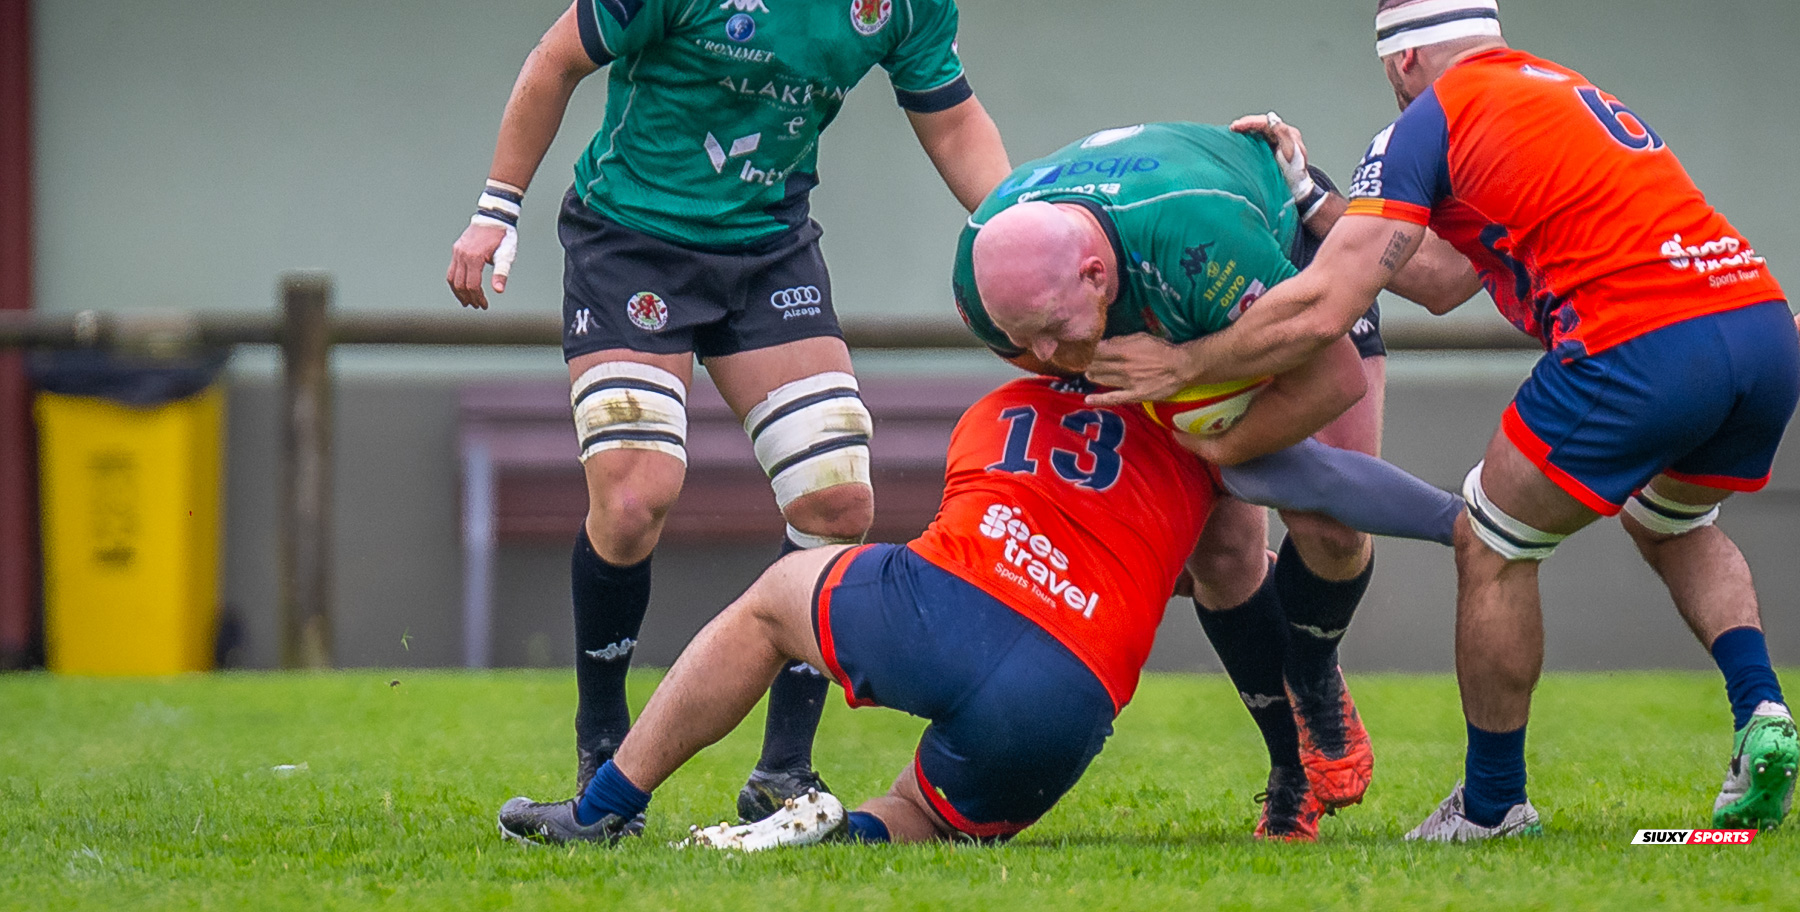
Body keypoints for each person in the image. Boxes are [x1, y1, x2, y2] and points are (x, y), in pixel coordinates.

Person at [1087, 0, 1800, 839]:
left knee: (1490, 543)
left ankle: (1493, 805)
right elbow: (1439, 277)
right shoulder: (1562, 90)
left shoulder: (1430, 119)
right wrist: (1309, 191)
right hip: (1762, 325)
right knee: (1674, 523)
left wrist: (1181, 371)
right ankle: (1761, 711)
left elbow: (1324, 308)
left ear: (1399, 63)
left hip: (1640, 341)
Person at [445, 0, 1011, 822]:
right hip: (631, 245)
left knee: (837, 499)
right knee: (632, 498)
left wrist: (1020, 231)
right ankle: (603, 739)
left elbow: (955, 124)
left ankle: (783, 769)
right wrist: (495, 210)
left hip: (768, 255)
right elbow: (551, 62)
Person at [495, 374, 1318, 846]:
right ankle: (836, 833)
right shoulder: (1213, 434)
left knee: (775, 603)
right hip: (1065, 692)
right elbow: (1232, 580)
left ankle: (602, 811)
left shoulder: (1016, 388)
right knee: (924, 811)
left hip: (943, 609)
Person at [950, 121, 1404, 840]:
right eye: (1021, 337)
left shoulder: (1196, 236)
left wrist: (1201, 401)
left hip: (1273, 279)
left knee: (1331, 523)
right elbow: (1042, 356)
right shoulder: (988, 277)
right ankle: (1291, 769)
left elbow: (1335, 380)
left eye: (1051, 329)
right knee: (1220, 556)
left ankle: (1314, 673)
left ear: (1097, 275)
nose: (1043, 353)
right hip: (1169, 309)